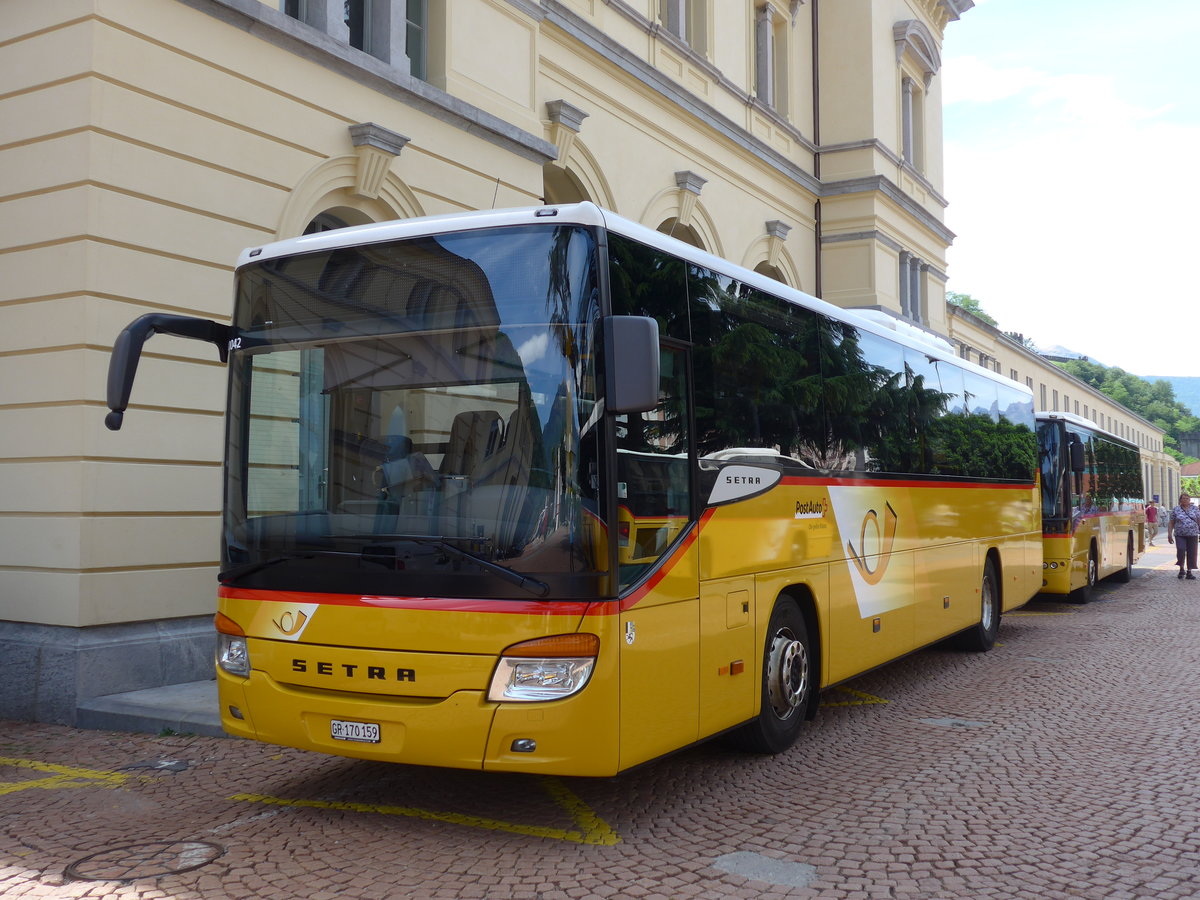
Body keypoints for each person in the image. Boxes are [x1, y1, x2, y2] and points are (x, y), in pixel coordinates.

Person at [1167, 491, 1200, 579]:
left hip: (1193, 534)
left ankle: (1189, 571)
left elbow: (1199, 520)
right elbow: (1171, 522)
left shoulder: (1195, 509)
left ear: (1190, 500)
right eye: (1183, 498)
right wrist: (1169, 534)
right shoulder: (1176, 509)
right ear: (1180, 500)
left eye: (1187, 498)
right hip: (1180, 534)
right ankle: (1181, 568)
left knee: (1192, 553)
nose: (1185, 500)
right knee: (1181, 550)